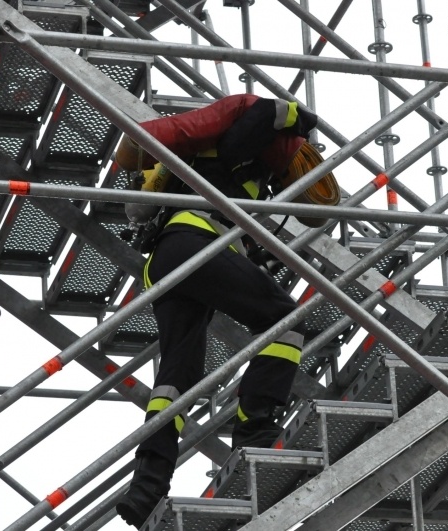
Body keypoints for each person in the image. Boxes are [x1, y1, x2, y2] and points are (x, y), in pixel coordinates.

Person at [115, 94, 327, 528]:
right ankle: (256, 431)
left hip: (167, 260)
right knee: (286, 323)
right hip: (197, 242)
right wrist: (302, 119)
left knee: (178, 377)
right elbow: (268, 113)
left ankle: (147, 486)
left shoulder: (199, 160)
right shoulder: (243, 139)